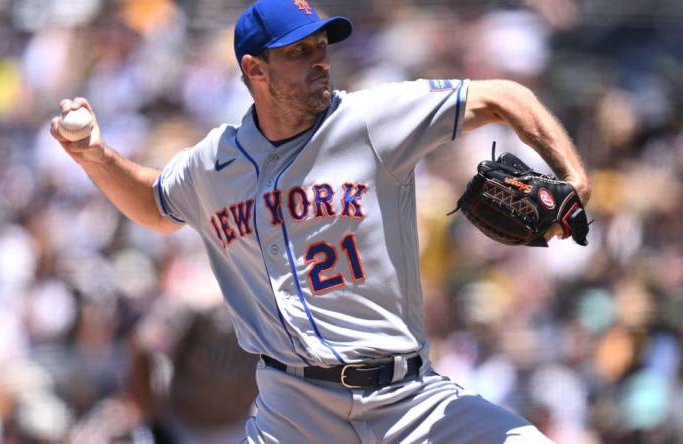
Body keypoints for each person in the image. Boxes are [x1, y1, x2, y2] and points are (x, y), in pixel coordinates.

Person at [50, 1, 590, 442]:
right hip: (295, 411)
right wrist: (97, 158)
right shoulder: (214, 163)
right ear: (254, 71)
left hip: (408, 398)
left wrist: (574, 178)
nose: (319, 60)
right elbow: (155, 203)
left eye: (321, 46)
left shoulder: (371, 119)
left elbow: (505, 97)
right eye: (299, 51)